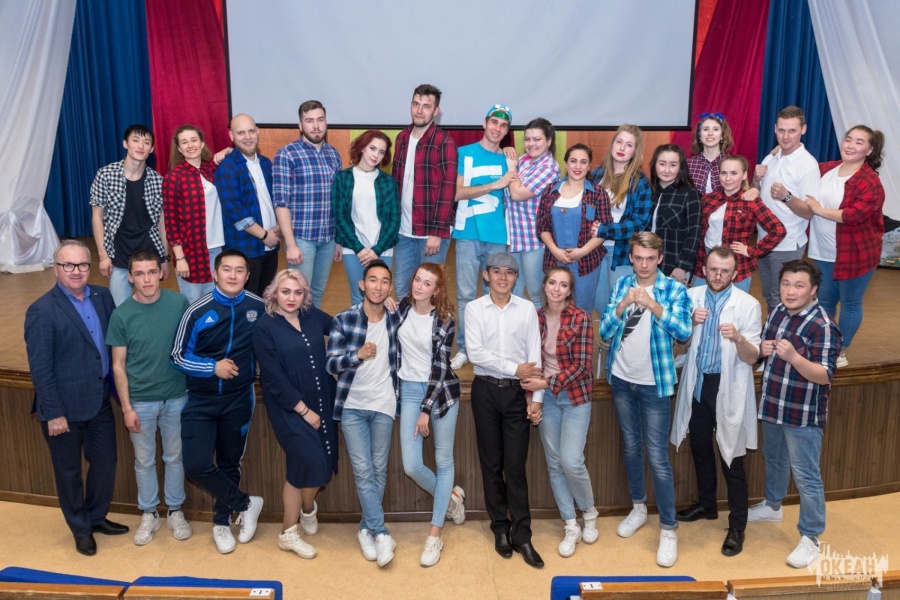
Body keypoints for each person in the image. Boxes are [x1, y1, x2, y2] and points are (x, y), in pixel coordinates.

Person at [24, 240, 128, 556]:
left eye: (82, 264)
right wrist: (54, 413)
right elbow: (41, 368)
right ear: (55, 268)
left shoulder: (102, 296)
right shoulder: (42, 310)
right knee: (69, 473)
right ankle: (81, 529)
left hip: (99, 401)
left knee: (105, 463)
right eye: (68, 265)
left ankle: (96, 517)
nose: (76, 271)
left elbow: (113, 344)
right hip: (63, 409)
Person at [599, 232, 692, 568]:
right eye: (638, 258)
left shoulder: (674, 290)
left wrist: (653, 306)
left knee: (657, 457)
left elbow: (684, 332)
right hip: (622, 380)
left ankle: (668, 528)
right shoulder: (622, 285)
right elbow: (604, 332)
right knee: (630, 447)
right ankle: (638, 507)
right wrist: (623, 305)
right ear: (631, 257)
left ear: (660, 259)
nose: (643, 264)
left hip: (655, 385)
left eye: (650, 259)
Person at [171, 249, 265, 554]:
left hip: (239, 399)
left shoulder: (259, 307)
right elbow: (178, 356)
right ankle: (246, 504)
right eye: (226, 269)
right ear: (214, 274)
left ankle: (222, 522)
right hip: (201, 400)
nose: (233, 276)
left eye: (239, 270)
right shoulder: (197, 311)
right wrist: (213, 367)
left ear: (247, 276)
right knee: (196, 465)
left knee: (229, 463)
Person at [748, 259, 841, 569]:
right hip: (773, 404)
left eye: (799, 286)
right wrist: (762, 348)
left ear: (813, 290)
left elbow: (825, 375)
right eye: (786, 284)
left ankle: (811, 537)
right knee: (773, 459)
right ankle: (773, 505)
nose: (790, 291)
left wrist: (794, 357)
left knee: (806, 476)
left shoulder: (823, 325)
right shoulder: (777, 311)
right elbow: (764, 350)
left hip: (803, 414)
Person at [670, 247, 761, 557]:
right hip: (698, 385)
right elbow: (679, 346)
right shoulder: (690, 297)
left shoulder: (748, 305)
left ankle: (737, 525)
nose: (718, 275)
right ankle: (707, 505)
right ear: (704, 269)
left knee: (732, 456)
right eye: (713, 269)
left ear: (734, 273)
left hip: (727, 386)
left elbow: (752, 357)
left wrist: (738, 338)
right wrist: (689, 325)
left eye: (724, 271)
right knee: (699, 447)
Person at [106, 251, 192, 546]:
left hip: (176, 396)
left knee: (175, 456)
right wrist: (126, 408)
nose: (146, 279)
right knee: (144, 461)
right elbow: (118, 366)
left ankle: (175, 510)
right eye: (140, 274)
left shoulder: (179, 303)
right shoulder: (121, 315)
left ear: (161, 274)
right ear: (130, 277)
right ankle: (149, 512)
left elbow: (191, 345)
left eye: (152, 272)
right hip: (140, 401)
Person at [465, 252, 545, 569]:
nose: (502, 277)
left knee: (515, 467)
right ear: (486, 275)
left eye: (509, 272)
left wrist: (536, 399)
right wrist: (515, 368)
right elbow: (475, 353)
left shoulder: (526, 309)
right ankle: (500, 528)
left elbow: (534, 356)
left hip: (516, 394)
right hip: (484, 391)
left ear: (516, 277)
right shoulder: (474, 309)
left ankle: (522, 534)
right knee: (491, 464)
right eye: (496, 271)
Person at [253, 269, 338, 560]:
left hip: (322, 398)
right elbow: (273, 377)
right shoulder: (265, 327)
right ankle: (288, 533)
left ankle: (307, 509)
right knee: (309, 461)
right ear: (274, 293)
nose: (291, 298)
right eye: (285, 291)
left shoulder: (311, 316)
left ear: (305, 295)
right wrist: (304, 411)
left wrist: (381, 305)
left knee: (320, 462)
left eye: (297, 292)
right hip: (289, 406)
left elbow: (343, 325)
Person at [326, 260, 401, 568]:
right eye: (373, 280)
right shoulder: (344, 319)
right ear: (362, 284)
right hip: (353, 406)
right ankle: (381, 532)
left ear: (390, 287)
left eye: (384, 281)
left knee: (379, 469)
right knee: (362, 470)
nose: (378, 286)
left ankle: (365, 528)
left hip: (384, 403)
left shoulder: (396, 318)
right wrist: (356, 355)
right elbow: (331, 363)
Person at [521, 267, 598, 558]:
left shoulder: (581, 318)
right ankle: (570, 523)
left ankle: (589, 512)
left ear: (569, 291)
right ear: (544, 286)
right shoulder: (535, 318)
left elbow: (582, 366)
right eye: (552, 282)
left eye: (563, 285)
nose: (556, 288)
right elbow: (530, 363)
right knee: (554, 463)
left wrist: (545, 384)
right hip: (547, 399)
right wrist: (533, 398)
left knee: (571, 461)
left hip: (575, 396)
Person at [396, 263, 465, 567]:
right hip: (409, 389)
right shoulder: (401, 308)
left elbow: (440, 366)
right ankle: (451, 499)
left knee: (443, 459)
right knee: (411, 465)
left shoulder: (445, 319)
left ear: (436, 291)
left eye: (427, 284)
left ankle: (435, 534)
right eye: (417, 280)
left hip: (441, 391)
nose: (419, 286)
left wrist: (426, 408)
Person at [803, 125, 885, 368]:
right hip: (822, 252)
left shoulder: (870, 181)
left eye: (859, 142)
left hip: (855, 254)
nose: (850, 145)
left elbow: (853, 215)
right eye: (848, 139)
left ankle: (840, 350)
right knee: (825, 303)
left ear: (869, 150)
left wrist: (818, 210)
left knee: (850, 304)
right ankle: (825, 344)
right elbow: (802, 170)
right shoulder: (826, 169)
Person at [449, 104, 517, 370]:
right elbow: (456, 192)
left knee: (497, 293)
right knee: (465, 295)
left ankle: (493, 348)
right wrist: (495, 184)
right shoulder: (464, 153)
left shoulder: (509, 160)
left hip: (497, 235)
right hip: (467, 233)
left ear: (507, 131)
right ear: (484, 123)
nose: (497, 128)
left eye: (503, 125)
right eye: (494, 122)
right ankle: (466, 348)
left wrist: (510, 169)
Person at [274, 100, 343, 308]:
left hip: (328, 238)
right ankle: (296, 329)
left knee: (317, 293)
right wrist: (291, 244)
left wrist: (339, 240)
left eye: (320, 120)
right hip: (301, 239)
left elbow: (338, 200)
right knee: (298, 294)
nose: (316, 126)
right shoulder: (287, 154)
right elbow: (281, 203)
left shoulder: (334, 154)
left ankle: (312, 329)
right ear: (300, 125)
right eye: (309, 121)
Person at [90, 124, 170, 306]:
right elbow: (97, 217)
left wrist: (164, 258)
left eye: (146, 142)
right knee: (121, 307)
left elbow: (162, 223)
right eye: (135, 140)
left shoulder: (158, 181)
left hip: (149, 250)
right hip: (119, 252)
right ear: (125, 144)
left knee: (151, 304)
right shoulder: (105, 175)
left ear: (152, 149)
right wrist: (103, 256)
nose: (141, 146)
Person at [751, 106, 821, 313]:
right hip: (764, 239)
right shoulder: (771, 157)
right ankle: (774, 331)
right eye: (781, 130)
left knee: (782, 298)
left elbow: (809, 212)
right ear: (775, 128)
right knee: (769, 294)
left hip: (787, 243)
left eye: (792, 130)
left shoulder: (807, 165)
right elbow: (756, 193)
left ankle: (780, 333)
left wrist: (786, 196)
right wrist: (755, 180)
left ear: (803, 130)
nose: (785, 136)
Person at [391, 84, 458, 297]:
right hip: (403, 232)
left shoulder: (444, 143)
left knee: (429, 294)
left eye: (426, 106)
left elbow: (448, 190)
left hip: (430, 234)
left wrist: (436, 233)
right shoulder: (402, 138)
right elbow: (396, 183)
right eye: (416, 104)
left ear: (436, 111)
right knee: (402, 291)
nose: (419, 111)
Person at [536, 143, 611, 315]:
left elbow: (604, 229)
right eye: (573, 161)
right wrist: (555, 251)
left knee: (582, 310)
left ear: (589, 166)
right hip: (554, 260)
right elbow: (542, 226)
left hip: (586, 263)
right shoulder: (550, 191)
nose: (578, 166)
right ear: (566, 163)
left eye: (583, 162)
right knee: (555, 308)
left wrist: (582, 252)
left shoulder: (598, 194)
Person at [694, 155, 786, 293]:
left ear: (744, 175)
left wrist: (752, 251)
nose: (728, 178)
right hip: (705, 261)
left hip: (737, 264)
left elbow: (778, 230)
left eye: (734, 173)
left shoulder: (751, 201)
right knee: (698, 302)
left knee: (735, 305)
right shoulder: (708, 199)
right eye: (723, 173)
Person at [589, 124, 652, 316]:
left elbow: (640, 223)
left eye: (629, 145)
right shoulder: (596, 175)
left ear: (635, 151)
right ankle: (605, 334)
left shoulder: (640, 181)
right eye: (619, 142)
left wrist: (605, 230)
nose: (622, 148)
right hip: (593, 248)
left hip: (621, 251)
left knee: (620, 304)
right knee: (597, 302)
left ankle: (619, 336)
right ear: (612, 144)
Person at [215, 114, 281, 297]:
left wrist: (277, 230)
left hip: (271, 246)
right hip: (245, 249)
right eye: (241, 132)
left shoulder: (266, 163)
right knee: (245, 301)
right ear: (232, 136)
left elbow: (276, 200)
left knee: (266, 299)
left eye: (251, 131)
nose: (248, 137)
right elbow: (234, 210)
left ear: (258, 132)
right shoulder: (227, 168)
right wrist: (264, 235)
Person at [332, 129, 400, 305]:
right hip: (353, 249)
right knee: (358, 297)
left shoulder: (388, 182)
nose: (376, 155)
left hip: (382, 249)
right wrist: (359, 249)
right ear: (362, 147)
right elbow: (340, 217)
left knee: (379, 297)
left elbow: (394, 220)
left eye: (381, 152)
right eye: (372, 148)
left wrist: (376, 250)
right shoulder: (343, 178)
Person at [503, 117, 561, 307]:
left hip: (534, 240)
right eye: (527, 139)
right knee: (514, 293)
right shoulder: (524, 161)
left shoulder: (549, 167)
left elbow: (517, 194)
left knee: (536, 293)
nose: (531, 144)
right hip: (515, 237)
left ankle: (541, 327)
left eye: (537, 139)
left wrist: (511, 169)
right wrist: (506, 151)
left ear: (549, 141)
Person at [162, 124, 223, 304]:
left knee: (214, 302)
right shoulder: (174, 177)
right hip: (190, 251)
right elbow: (171, 222)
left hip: (217, 247)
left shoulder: (213, 170)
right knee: (193, 303)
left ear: (202, 143)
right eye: (184, 142)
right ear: (179, 148)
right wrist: (180, 257)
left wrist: (227, 150)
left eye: (194, 140)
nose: (190, 145)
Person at [648, 144, 701, 286]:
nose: (666, 170)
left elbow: (694, 233)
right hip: (647, 265)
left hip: (674, 268)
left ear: (680, 167)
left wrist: (682, 266)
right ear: (654, 165)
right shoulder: (648, 191)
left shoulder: (689, 193)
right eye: (662, 164)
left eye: (673, 165)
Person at [686, 112, 733, 195]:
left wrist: (754, 188)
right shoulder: (688, 164)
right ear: (699, 136)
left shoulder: (733, 163)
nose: (710, 133)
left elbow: (743, 191)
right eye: (705, 129)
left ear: (722, 135)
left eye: (716, 129)